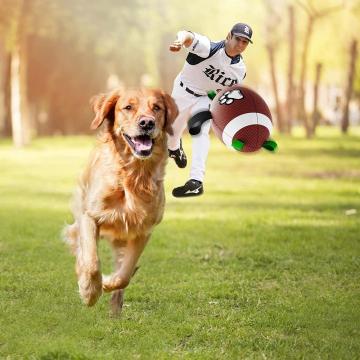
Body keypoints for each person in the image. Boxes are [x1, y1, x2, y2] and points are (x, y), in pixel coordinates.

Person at [168, 23, 252, 197]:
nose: (240, 44)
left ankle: (196, 181)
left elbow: (226, 94)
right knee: (171, 134)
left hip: (205, 98)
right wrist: (179, 41)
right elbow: (187, 34)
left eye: (245, 42)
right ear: (229, 35)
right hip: (183, 91)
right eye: (238, 38)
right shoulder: (208, 48)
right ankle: (175, 149)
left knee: (200, 132)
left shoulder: (240, 70)